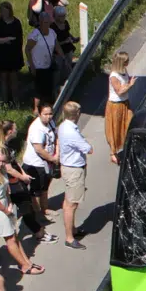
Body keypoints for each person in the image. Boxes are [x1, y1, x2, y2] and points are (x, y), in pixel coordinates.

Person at [0, 146, 42, 276]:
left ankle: (26, 261)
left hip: (6, 206)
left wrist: (9, 203)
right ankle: (25, 266)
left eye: (4, 161)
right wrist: (5, 210)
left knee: (14, 236)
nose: (1, 164)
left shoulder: (2, 170)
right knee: (10, 239)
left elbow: (6, 190)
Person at [0, 120, 55, 245]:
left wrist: (23, 174)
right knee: (26, 208)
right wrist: (22, 178)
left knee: (26, 206)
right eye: (15, 128)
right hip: (12, 184)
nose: (17, 130)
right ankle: (39, 233)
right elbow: (8, 169)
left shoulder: (7, 145)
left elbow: (14, 162)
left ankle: (37, 231)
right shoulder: (1, 148)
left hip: (17, 181)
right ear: (10, 131)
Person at [58, 102, 92, 249]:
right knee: (71, 205)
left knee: (68, 202)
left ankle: (72, 229)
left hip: (68, 167)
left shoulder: (63, 126)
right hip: (74, 170)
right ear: (76, 114)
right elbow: (88, 149)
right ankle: (69, 238)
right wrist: (87, 144)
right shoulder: (71, 131)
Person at [22, 104, 59, 226]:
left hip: (47, 162)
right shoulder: (36, 128)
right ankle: (38, 215)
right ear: (39, 114)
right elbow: (39, 149)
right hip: (35, 164)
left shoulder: (51, 123)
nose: (49, 117)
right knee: (36, 190)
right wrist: (53, 159)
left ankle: (45, 208)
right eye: (46, 114)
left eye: (50, 114)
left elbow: (56, 137)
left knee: (45, 187)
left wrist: (57, 154)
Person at [25, 14, 62, 113]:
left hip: (48, 65)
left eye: (48, 22)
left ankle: (48, 108)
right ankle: (36, 109)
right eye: (44, 22)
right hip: (37, 66)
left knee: (48, 88)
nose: (46, 25)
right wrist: (32, 66)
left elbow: (57, 47)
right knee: (38, 89)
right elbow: (27, 49)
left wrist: (63, 59)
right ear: (40, 23)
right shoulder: (35, 35)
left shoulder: (52, 33)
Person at [0, 2, 24, 106]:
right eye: (2, 10)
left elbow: (18, 39)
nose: (4, 12)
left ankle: (16, 101)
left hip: (14, 54)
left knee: (14, 78)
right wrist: (8, 39)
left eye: (6, 10)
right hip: (1, 55)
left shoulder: (16, 22)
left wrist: (2, 40)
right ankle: (5, 101)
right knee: (3, 78)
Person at [105, 52, 136, 165]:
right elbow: (119, 91)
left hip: (125, 103)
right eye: (126, 61)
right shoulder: (114, 76)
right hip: (116, 105)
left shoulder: (123, 71)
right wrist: (130, 85)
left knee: (129, 123)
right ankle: (113, 153)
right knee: (115, 128)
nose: (128, 63)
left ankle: (127, 146)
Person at [51, 5, 76, 85]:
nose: (63, 18)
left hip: (68, 50)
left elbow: (67, 33)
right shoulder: (52, 27)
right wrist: (64, 42)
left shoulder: (65, 23)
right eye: (61, 16)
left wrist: (73, 38)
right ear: (55, 16)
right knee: (58, 71)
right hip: (58, 53)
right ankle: (56, 89)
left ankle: (67, 87)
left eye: (64, 15)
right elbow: (53, 43)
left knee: (68, 69)